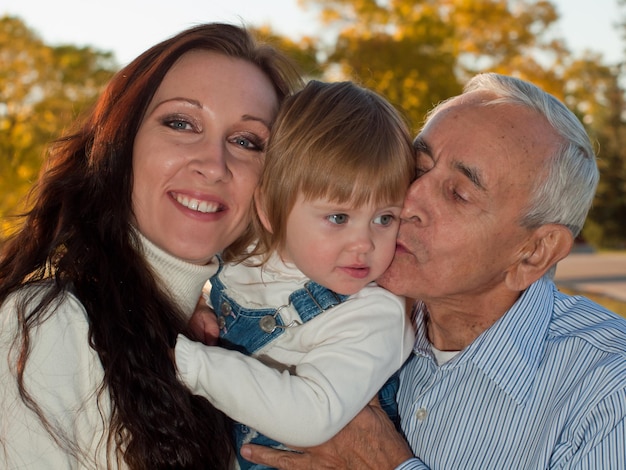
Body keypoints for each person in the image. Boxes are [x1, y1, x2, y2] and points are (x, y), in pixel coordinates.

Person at [240, 73, 626, 469]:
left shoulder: (610, 392)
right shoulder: (345, 287)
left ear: (534, 252)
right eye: (419, 166)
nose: (407, 202)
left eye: (458, 193)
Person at [0, 23, 302, 469]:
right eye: (181, 123)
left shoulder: (244, 350)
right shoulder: (49, 324)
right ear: (121, 146)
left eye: (246, 141)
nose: (214, 165)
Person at [175, 80, 416, 469]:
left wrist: (184, 360)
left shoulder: (373, 313)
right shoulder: (241, 255)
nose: (365, 244)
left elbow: (311, 416)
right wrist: (191, 303)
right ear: (270, 210)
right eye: (338, 217)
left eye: (384, 218)